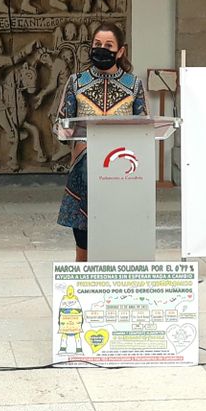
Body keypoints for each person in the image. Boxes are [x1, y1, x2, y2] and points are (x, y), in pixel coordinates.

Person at [56, 23, 147, 261]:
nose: (101, 49)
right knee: (84, 228)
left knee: (120, 231)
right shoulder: (76, 82)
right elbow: (61, 125)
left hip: (122, 171)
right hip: (84, 167)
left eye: (108, 46)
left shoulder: (133, 85)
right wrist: (73, 135)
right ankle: (82, 272)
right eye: (97, 45)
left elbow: (144, 127)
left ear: (120, 51)